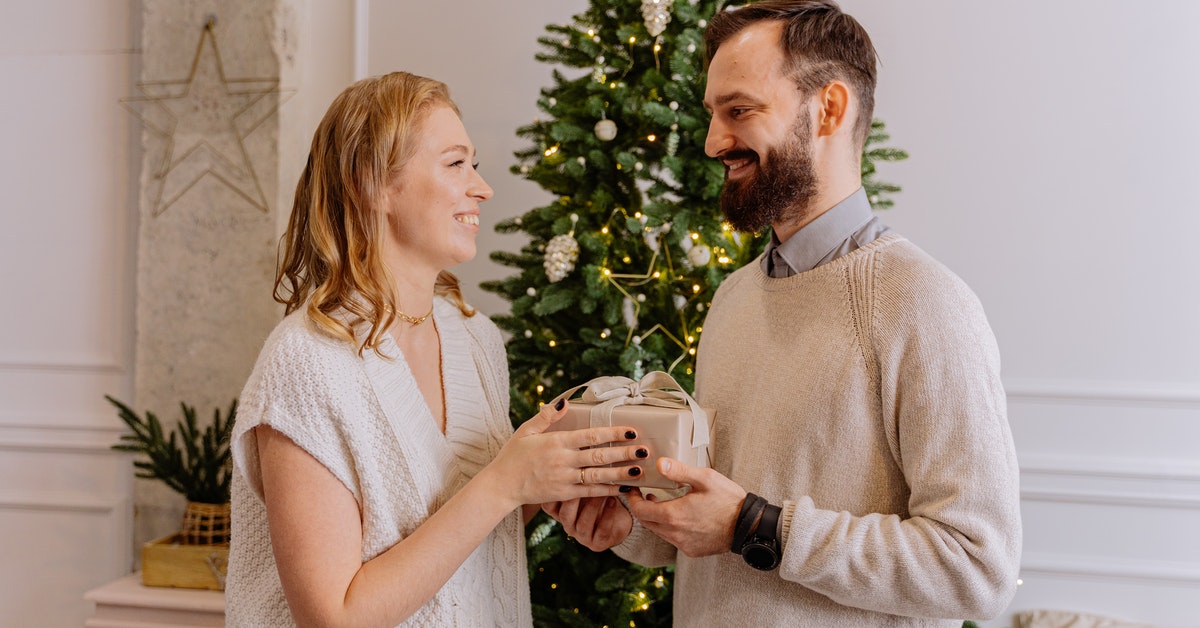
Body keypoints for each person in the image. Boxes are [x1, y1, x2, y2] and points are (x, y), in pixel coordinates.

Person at [542, 1, 1022, 625]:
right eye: (712, 114)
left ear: (829, 108)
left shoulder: (926, 306)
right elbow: (715, 515)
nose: (714, 141)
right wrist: (632, 526)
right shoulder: (735, 298)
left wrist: (756, 526)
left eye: (738, 111)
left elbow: (978, 570)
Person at [226, 72, 649, 627]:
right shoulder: (306, 363)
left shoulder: (476, 339)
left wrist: (546, 486)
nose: (481, 188)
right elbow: (333, 617)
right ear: (371, 182)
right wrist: (503, 485)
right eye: (456, 164)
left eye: (474, 165)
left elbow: (462, 527)